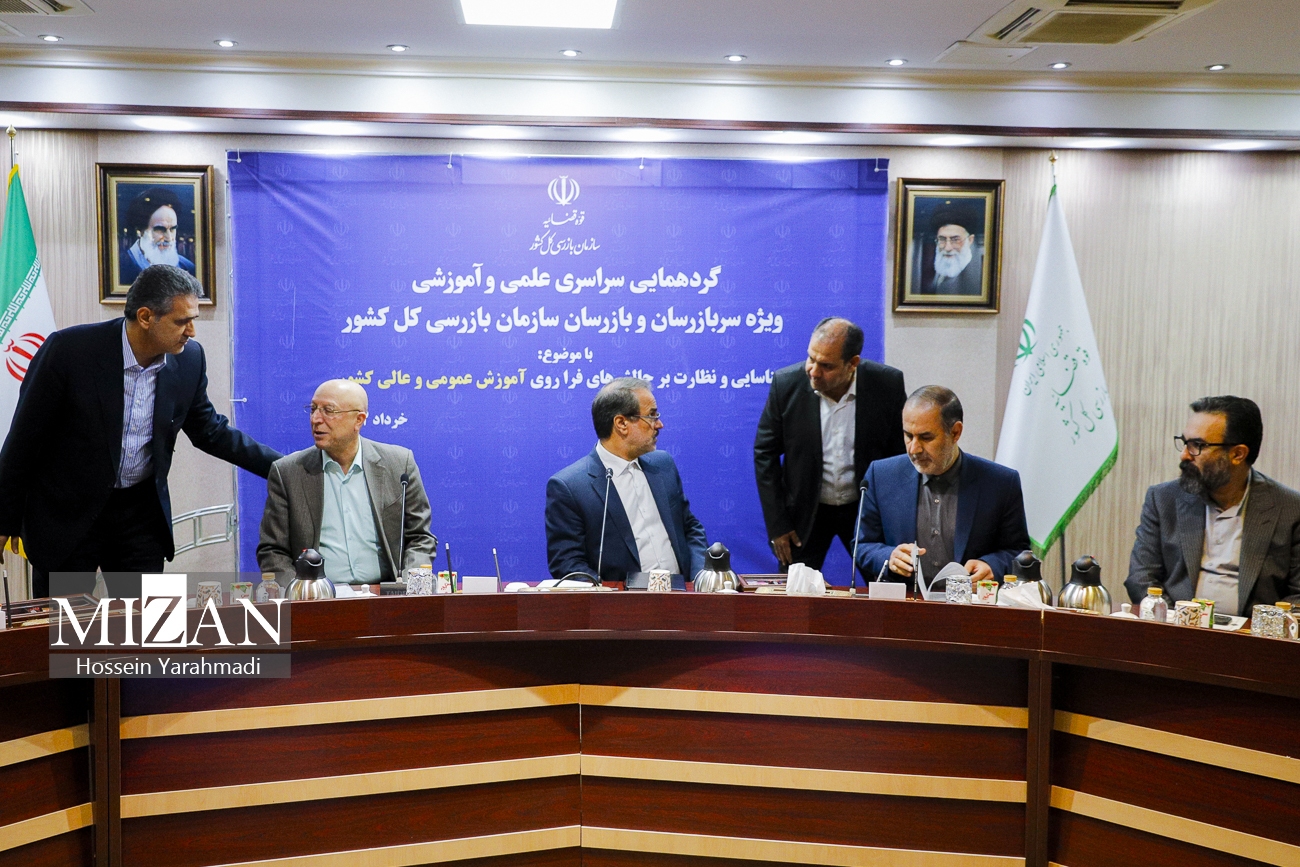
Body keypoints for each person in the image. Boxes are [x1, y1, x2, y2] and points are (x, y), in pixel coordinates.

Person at [0, 264, 280, 597]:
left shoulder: (189, 360)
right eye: (182, 321)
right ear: (146, 317)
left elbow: (210, 431)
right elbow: (24, 441)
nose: (191, 331)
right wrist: (4, 520)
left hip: (139, 518)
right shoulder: (68, 351)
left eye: (193, 320)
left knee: (148, 623)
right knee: (67, 624)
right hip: (68, 515)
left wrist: (283, 468)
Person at [753, 317, 906, 576]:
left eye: (826, 365)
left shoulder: (887, 384)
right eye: (810, 358)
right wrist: (777, 524)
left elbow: (899, 455)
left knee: (885, 586)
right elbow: (764, 453)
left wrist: (894, 523)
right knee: (795, 590)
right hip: (805, 513)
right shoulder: (786, 384)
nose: (813, 371)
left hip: (866, 510)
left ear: (852, 363)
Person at [1125, 396, 1300, 616]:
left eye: (1197, 445)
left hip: (1251, 633)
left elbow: (1298, 596)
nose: (1184, 455)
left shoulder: (1290, 509)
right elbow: (1141, 578)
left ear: (1237, 454)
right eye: (1184, 442)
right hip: (1176, 628)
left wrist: (1257, 629)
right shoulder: (1163, 499)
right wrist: (1179, 623)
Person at [257, 379, 436, 584]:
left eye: (328, 411)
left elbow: (420, 537)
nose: (315, 419)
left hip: (385, 592)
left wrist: (412, 585)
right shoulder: (288, 472)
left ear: (358, 420)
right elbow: (273, 550)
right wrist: (299, 592)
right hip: (319, 595)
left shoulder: (399, 464)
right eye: (313, 409)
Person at [854, 386, 1029, 586]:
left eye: (926, 437)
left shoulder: (1000, 483)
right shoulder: (881, 476)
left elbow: (1018, 552)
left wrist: (991, 565)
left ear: (955, 432)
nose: (914, 449)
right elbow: (862, 545)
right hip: (905, 600)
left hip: (970, 602)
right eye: (908, 436)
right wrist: (889, 557)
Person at [546, 377, 707, 583]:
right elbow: (568, 563)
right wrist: (608, 594)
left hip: (684, 593)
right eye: (651, 415)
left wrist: (700, 577)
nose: (659, 424)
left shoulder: (663, 465)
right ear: (621, 423)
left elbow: (690, 527)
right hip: (621, 600)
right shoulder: (570, 486)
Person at [119, 187, 197, 285]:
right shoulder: (121, 267)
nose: (169, 238)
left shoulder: (188, 268)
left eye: (172, 229)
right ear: (140, 231)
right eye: (160, 229)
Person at [925, 210, 983, 296]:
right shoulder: (935, 269)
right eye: (942, 239)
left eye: (955, 240)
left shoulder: (981, 276)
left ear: (970, 240)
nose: (947, 248)